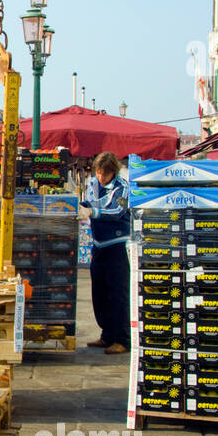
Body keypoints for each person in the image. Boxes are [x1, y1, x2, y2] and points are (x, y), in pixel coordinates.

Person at [81, 151, 131, 354]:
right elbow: (88, 202)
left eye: (105, 175)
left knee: (118, 293)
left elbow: (116, 212)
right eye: (99, 173)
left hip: (117, 245)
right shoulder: (92, 183)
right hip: (99, 244)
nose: (101, 178)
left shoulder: (123, 188)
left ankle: (123, 338)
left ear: (113, 172)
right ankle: (107, 334)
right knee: (99, 292)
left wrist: (93, 212)